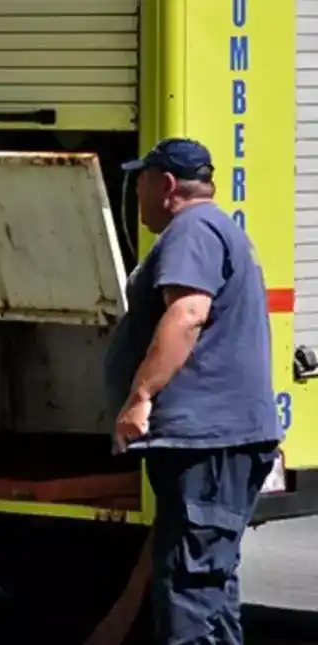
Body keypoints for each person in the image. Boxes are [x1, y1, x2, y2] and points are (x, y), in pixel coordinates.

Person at [105, 138, 285, 644]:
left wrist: (141, 395)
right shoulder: (215, 227)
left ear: (164, 184)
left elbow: (187, 314)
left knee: (190, 589)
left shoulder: (192, 230)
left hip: (208, 443)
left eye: (139, 181)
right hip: (217, 440)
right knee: (209, 585)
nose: (135, 193)